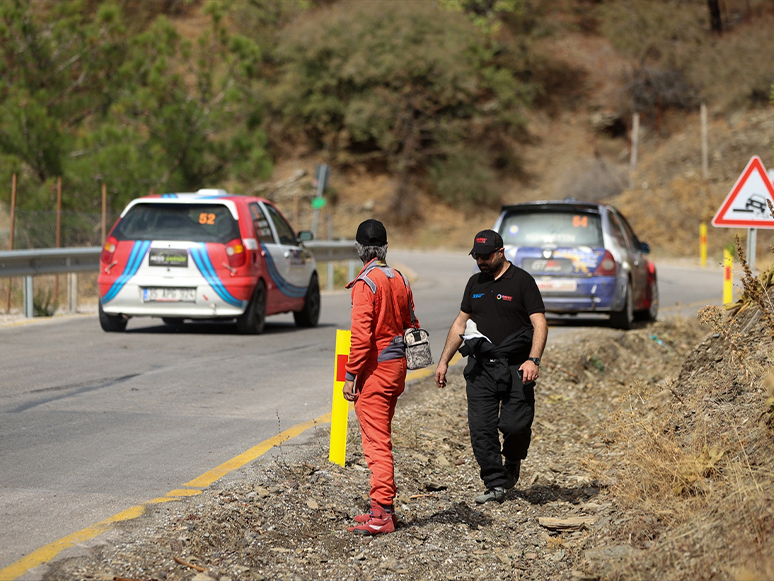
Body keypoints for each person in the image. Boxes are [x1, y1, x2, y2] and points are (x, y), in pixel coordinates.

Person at [434, 229, 548, 504]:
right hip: (481, 368)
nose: (481, 261)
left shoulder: (521, 281)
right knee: (481, 429)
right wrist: (444, 361)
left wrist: (533, 360)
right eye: (477, 256)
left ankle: (513, 460)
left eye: (486, 256)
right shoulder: (475, 283)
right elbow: (460, 324)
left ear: (501, 253)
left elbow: (539, 323)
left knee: (516, 426)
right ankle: (495, 484)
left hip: (515, 367)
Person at [342, 218, 418, 535]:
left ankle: (382, 514)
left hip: (376, 371)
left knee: (376, 444)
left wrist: (350, 376)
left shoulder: (366, 284)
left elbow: (360, 339)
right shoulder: (399, 278)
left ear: (359, 249)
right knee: (381, 437)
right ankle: (383, 509)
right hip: (398, 367)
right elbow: (413, 323)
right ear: (386, 247)